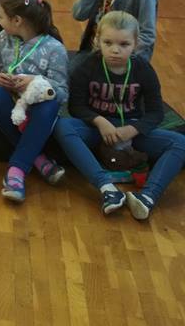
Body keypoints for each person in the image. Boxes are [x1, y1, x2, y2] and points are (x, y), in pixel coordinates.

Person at [56, 11, 184, 219]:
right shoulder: (85, 67)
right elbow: (76, 107)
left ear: (136, 44)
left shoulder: (143, 69)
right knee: (63, 126)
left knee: (180, 143)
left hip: (130, 130)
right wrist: (99, 121)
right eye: (108, 43)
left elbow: (155, 112)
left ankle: (147, 197)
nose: (115, 50)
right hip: (96, 129)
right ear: (97, 40)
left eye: (124, 44)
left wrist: (133, 129)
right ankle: (107, 188)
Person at [0, 0, 69, 203]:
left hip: (36, 107)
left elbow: (62, 92)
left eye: (2, 17)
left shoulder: (54, 49)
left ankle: (17, 171)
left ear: (17, 21)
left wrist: (34, 81)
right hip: (8, 105)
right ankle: (39, 160)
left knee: (49, 105)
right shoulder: (3, 38)